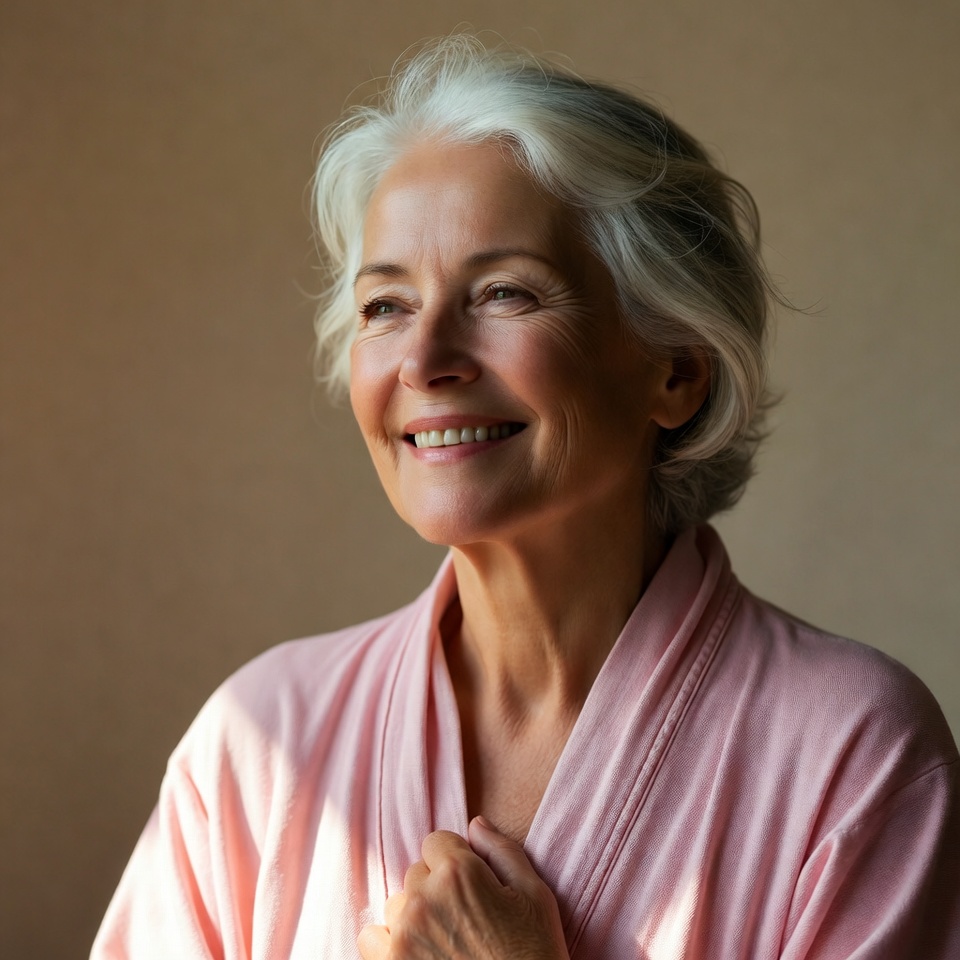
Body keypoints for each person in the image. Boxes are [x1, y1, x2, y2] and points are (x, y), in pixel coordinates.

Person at [91, 36, 960, 960]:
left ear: (676, 372)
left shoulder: (856, 757)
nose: (425, 362)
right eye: (385, 306)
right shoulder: (259, 745)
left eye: (504, 292)